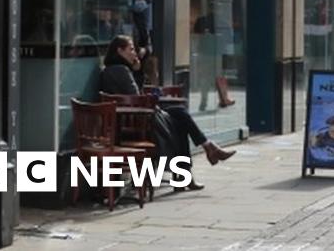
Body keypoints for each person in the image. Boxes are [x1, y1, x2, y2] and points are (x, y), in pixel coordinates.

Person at [100, 35, 234, 190]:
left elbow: (136, 96)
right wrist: (138, 71)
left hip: (134, 119)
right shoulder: (121, 70)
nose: (135, 53)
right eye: (131, 49)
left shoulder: (113, 70)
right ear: (119, 51)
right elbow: (136, 97)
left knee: (180, 116)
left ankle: (205, 151)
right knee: (181, 121)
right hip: (137, 122)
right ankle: (196, 162)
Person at [131, 0, 154, 89]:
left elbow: (148, 44)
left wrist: (144, 49)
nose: (143, 3)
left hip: (141, 51)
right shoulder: (130, 18)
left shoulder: (144, 22)